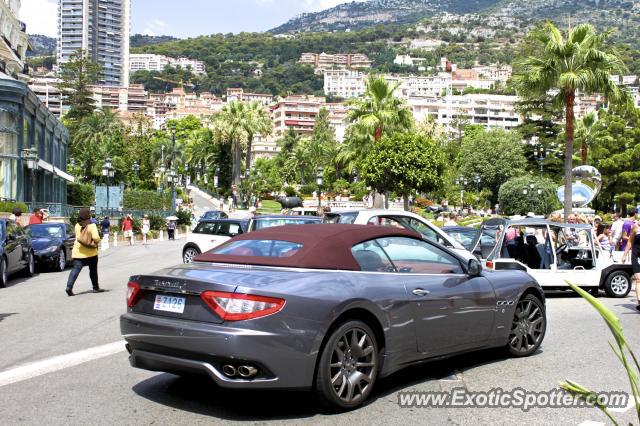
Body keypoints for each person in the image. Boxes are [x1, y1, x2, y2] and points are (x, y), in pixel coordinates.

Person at [65, 208, 104, 296]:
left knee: (75, 270)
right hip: (91, 252)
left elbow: (78, 236)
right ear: (88, 215)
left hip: (78, 252)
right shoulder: (91, 225)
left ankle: (69, 287)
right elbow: (96, 238)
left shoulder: (77, 225)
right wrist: (98, 239)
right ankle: (95, 287)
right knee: (93, 270)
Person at [622, 221, 640, 311]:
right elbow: (630, 241)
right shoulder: (636, 227)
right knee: (639, 279)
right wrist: (625, 255)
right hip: (636, 255)